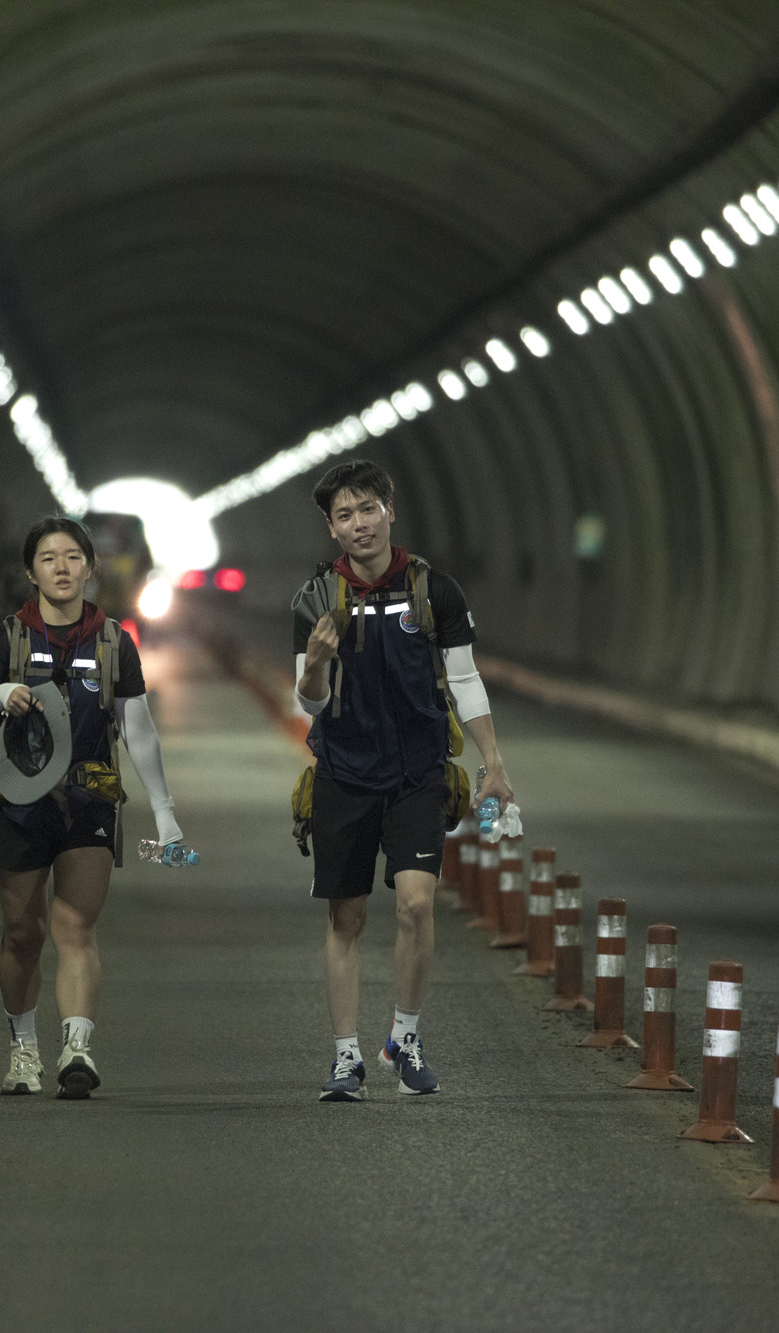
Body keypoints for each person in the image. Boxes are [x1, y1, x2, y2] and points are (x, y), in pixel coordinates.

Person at [291, 459, 513, 1102]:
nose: (358, 524)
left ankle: (405, 1038)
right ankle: (345, 1058)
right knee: (348, 917)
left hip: (417, 772)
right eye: (344, 516)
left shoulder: (434, 591)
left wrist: (493, 760)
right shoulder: (315, 600)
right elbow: (306, 703)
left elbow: (465, 679)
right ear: (331, 530)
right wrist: (315, 667)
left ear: (391, 511)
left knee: (417, 903)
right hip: (343, 773)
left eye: (368, 509)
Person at [0, 517, 188, 1099]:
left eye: (73, 558)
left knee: (74, 926)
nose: (62, 568)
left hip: (90, 795)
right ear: (30, 571)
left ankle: (76, 1048)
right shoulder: (8, 639)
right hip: (17, 797)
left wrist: (164, 812)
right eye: (48, 558)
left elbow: (139, 729)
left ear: (90, 567)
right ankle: (23, 1049)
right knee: (21, 932)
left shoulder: (112, 642)